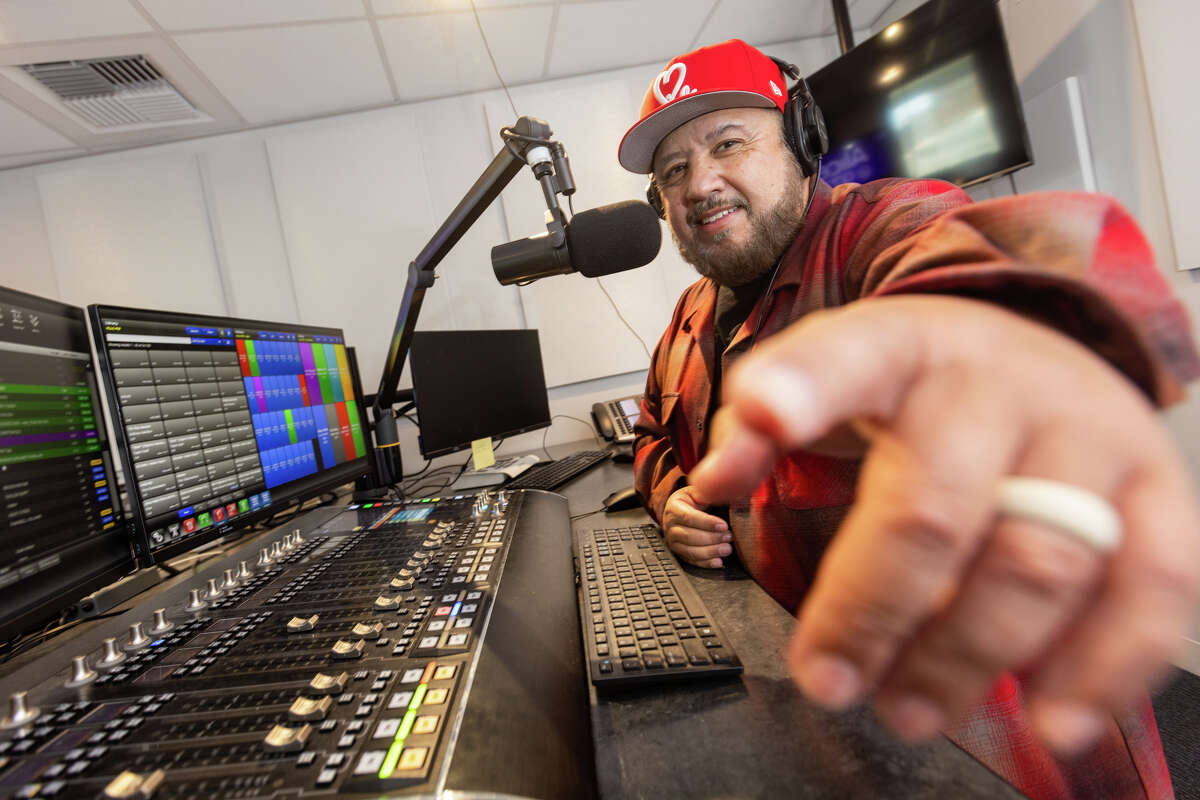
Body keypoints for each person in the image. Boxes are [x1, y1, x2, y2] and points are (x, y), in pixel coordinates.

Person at [620, 39, 1200, 800]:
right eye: (673, 171)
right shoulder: (689, 316)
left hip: (989, 723)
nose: (700, 183)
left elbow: (971, 272)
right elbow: (652, 436)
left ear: (802, 144)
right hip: (815, 695)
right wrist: (672, 499)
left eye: (728, 143)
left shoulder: (883, 225)